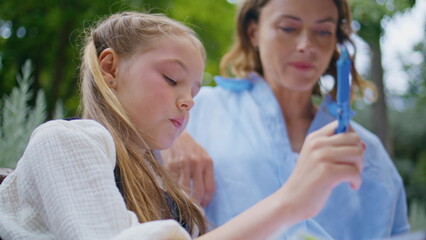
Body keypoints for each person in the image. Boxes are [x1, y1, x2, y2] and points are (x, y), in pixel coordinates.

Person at [0, 11, 365, 240]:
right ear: (110, 68)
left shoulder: (167, 190)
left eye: (194, 89)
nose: (189, 99)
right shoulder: (64, 141)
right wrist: (290, 203)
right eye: (172, 79)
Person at [161, 0, 410, 239]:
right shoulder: (192, 114)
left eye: (323, 31)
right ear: (253, 32)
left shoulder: (370, 153)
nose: (306, 45)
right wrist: (167, 135)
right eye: (288, 28)